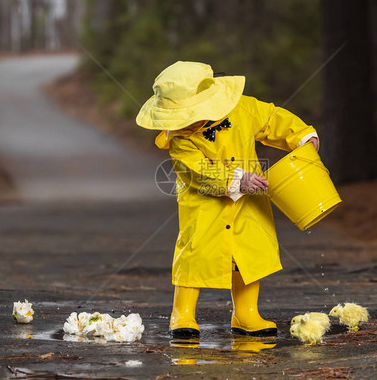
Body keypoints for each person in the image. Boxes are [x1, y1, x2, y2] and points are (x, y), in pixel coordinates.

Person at [136, 61, 319, 338]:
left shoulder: (243, 109)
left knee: (250, 253)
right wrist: (236, 179)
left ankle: (246, 314)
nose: (185, 123)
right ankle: (182, 314)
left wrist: (302, 136)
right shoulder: (181, 139)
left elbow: (271, 118)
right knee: (195, 252)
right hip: (203, 202)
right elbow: (196, 169)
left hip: (250, 200)